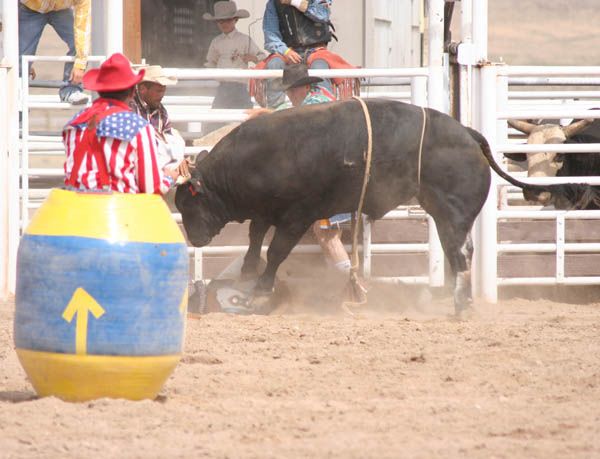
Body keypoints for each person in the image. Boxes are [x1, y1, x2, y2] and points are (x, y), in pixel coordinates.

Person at [250, 63, 352, 274]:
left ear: (305, 88)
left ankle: (350, 284)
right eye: (290, 89)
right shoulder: (323, 99)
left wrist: (266, 115)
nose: (292, 93)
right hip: (339, 176)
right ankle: (337, 282)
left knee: (327, 235)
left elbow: (294, 115)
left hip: (331, 179)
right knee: (327, 235)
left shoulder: (312, 106)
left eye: (294, 88)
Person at [63, 53, 178, 194]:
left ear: (99, 90)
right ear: (131, 92)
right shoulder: (138, 128)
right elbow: (151, 189)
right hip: (116, 209)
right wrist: (169, 178)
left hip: (73, 208)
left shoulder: (74, 124)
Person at [202, 1, 266, 132]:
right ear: (217, 23)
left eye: (227, 20)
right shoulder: (216, 42)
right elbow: (210, 62)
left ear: (235, 20)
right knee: (214, 120)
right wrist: (216, 75)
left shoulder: (245, 39)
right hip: (223, 87)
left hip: (240, 87)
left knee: (246, 118)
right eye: (221, 21)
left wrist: (252, 58)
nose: (224, 24)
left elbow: (262, 57)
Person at [261, 0, 334, 108]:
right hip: (288, 50)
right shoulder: (273, 3)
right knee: (274, 64)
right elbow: (270, 36)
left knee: (319, 66)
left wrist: (294, 2)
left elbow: (323, 14)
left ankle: (324, 107)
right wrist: (285, 51)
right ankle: (276, 110)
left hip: (315, 49)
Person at [19, 0, 91, 105]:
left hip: (60, 9)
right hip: (30, 7)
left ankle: (71, 90)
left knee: (80, 44)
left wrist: (80, 64)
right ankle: (16, 105)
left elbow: (83, 29)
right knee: (19, 57)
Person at [130, 65, 190, 181]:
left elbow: (168, 139)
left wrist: (178, 158)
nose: (162, 95)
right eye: (158, 91)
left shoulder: (161, 111)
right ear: (142, 89)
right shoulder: (130, 107)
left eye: (163, 90)